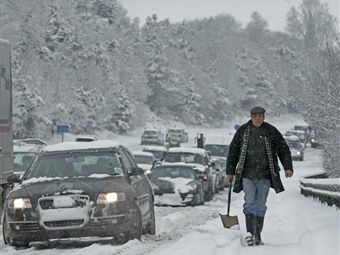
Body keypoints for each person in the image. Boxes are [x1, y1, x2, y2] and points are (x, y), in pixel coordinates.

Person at [226, 106, 293, 246]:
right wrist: (230, 171)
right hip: (247, 174)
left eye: (260, 115)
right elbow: (233, 150)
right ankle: (250, 234)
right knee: (249, 202)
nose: (257, 118)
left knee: (261, 205)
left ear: (264, 117)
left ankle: (258, 235)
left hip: (265, 175)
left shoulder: (270, 131)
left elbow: (283, 148)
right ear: (251, 116)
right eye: (255, 115)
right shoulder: (243, 131)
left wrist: (288, 167)